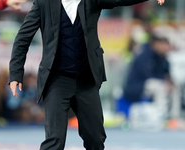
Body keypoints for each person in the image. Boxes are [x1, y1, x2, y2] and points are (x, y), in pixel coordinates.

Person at [9, 0, 165, 149]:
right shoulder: (44, 3)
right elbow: (23, 38)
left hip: (86, 79)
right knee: (54, 139)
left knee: (95, 138)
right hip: (56, 80)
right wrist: (16, 75)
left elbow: (119, 0)